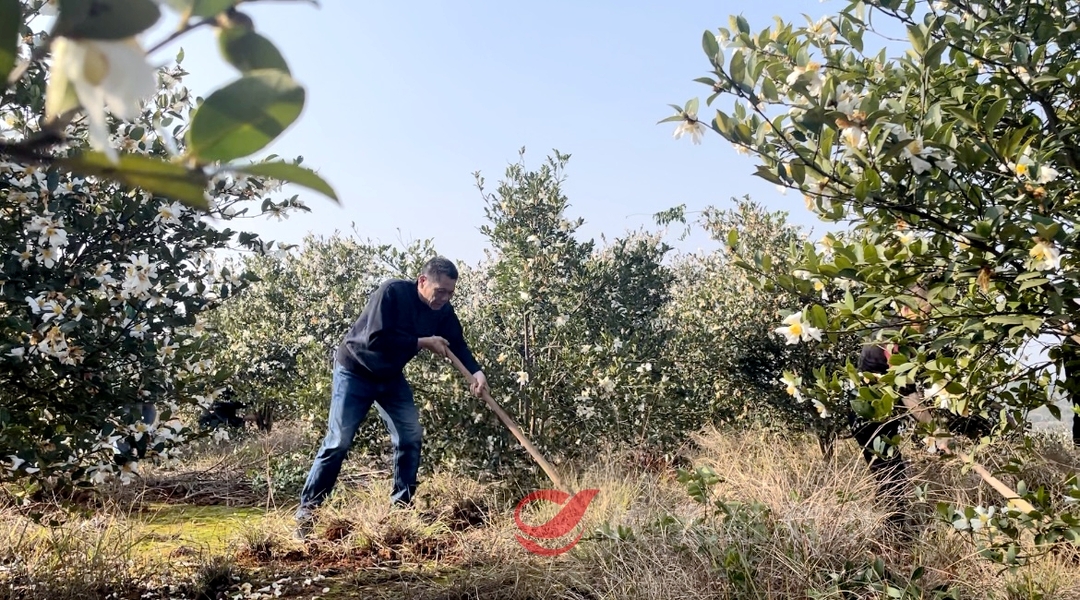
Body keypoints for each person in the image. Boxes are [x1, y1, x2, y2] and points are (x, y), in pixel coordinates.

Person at [294, 257, 489, 538]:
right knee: (338, 442)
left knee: (410, 436)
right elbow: (375, 338)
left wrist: (476, 372)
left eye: (450, 293)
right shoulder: (392, 293)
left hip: (390, 376)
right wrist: (421, 342)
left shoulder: (442, 311)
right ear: (422, 282)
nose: (444, 299)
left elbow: (457, 342)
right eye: (440, 291)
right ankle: (307, 512)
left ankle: (402, 510)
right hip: (355, 370)